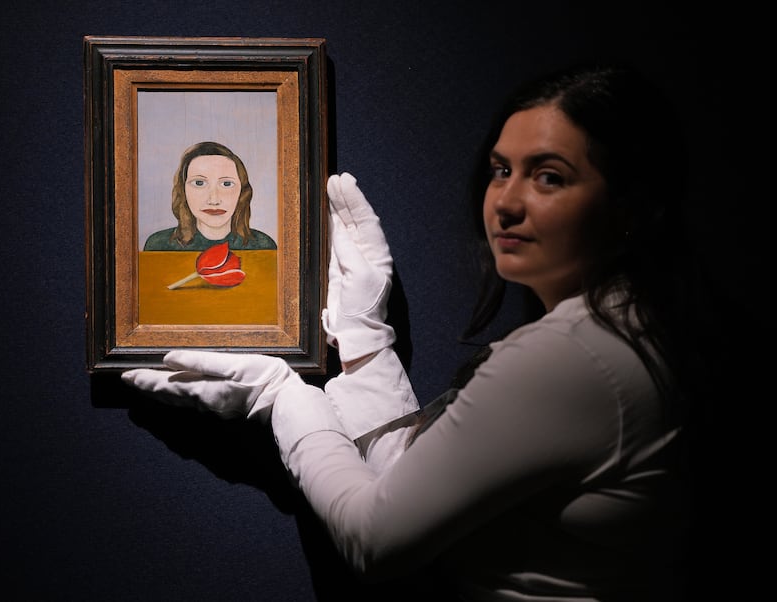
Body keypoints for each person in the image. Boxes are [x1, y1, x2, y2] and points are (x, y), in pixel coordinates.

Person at [123, 63, 698, 601]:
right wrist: (362, 339)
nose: (507, 201)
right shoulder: (622, 329)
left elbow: (376, 539)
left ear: (632, 204)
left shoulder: (573, 355)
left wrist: (283, 401)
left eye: (549, 176)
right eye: (501, 170)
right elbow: (423, 489)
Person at [144, 140, 278, 251]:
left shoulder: (263, 246)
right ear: (183, 191)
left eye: (226, 184)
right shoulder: (158, 245)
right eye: (199, 183)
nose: (213, 200)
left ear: (242, 192)